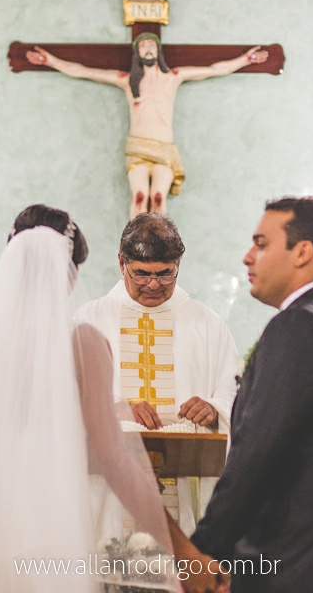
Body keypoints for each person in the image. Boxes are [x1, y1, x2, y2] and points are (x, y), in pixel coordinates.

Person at [0, 205, 224, 593]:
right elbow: (115, 460)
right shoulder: (80, 343)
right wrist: (183, 551)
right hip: (49, 532)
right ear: (70, 273)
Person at [190, 197, 313, 592]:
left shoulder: (301, 325)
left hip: (301, 559)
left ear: (302, 252)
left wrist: (205, 549)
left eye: (262, 244)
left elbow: (260, 450)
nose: (248, 257)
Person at [75, 212, 240, 533]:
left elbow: (232, 391)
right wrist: (116, 410)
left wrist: (214, 410)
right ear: (121, 262)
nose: (153, 285)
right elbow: (66, 395)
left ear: (179, 264)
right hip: (108, 487)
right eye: (141, 274)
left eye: (166, 274)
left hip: (183, 483)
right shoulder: (90, 318)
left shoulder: (207, 323)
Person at [27, 34, 268, 217]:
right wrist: (50, 60)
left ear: (158, 51)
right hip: (138, 147)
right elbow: (84, 71)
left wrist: (246, 59)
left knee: (159, 199)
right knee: (140, 197)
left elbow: (214, 69)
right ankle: (135, 248)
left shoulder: (173, 77)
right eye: (143, 46)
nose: (148, 48)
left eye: (152, 45)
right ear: (137, 53)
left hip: (163, 147)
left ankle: (159, 248)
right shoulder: (128, 81)